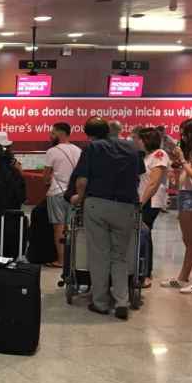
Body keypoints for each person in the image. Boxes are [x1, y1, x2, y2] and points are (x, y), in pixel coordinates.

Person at [69, 117, 145, 319]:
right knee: (120, 256)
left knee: (99, 254)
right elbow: (139, 175)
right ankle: (122, 302)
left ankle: (100, 302)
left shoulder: (92, 148)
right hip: (126, 205)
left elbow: (82, 180)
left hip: (98, 204)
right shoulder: (131, 148)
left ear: (89, 134)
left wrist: (79, 198)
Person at [161, 120, 192, 295]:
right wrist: (177, 169)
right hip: (184, 195)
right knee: (188, 240)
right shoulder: (191, 152)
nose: (182, 137)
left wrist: (183, 161)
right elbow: (185, 176)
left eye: (185, 134)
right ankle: (183, 277)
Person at [42, 122, 82, 268]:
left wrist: (48, 180)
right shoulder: (78, 150)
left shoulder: (52, 151)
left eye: (53, 133)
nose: (50, 135)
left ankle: (61, 260)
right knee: (73, 227)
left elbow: (46, 177)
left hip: (56, 193)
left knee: (59, 227)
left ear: (60, 133)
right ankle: (74, 259)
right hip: (74, 194)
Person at [134, 126, 170, 288]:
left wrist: (142, 202)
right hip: (143, 198)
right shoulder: (146, 156)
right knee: (142, 234)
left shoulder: (159, 155)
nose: (137, 142)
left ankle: (146, 273)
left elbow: (154, 182)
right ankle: (141, 270)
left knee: (144, 234)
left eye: (139, 139)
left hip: (151, 200)